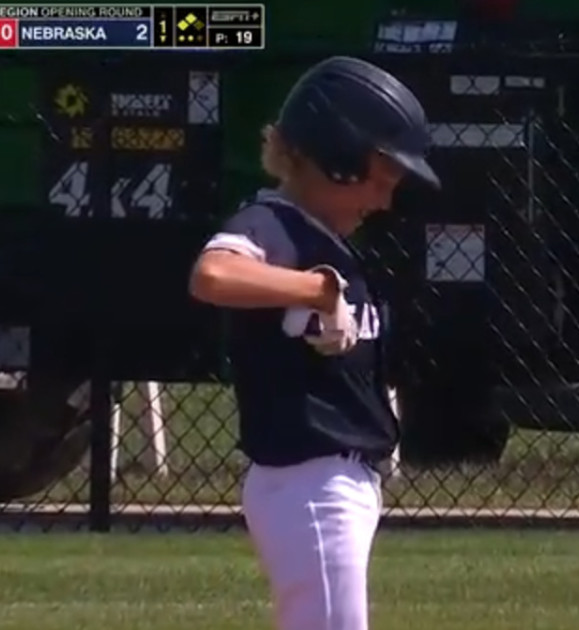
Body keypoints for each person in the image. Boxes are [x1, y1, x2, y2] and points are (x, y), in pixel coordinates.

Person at [187, 56, 439, 630]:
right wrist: (318, 291)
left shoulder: (324, 238)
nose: (385, 198)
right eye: (381, 177)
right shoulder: (274, 223)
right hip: (310, 480)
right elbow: (213, 276)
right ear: (337, 158)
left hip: (335, 480)